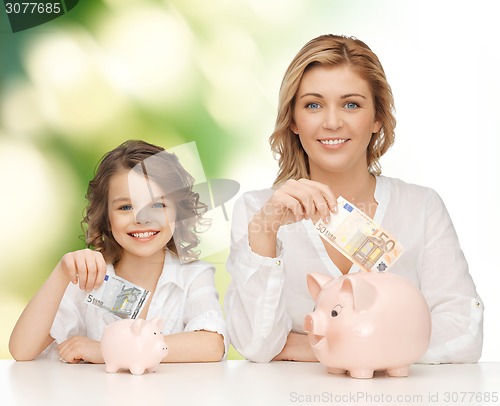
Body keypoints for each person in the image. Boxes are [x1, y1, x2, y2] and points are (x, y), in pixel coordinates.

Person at [224, 34, 483, 364]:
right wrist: (265, 231)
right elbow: (255, 346)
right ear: (293, 121)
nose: (332, 122)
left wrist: (319, 346)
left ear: (377, 118)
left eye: (351, 104)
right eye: (313, 105)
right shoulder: (256, 211)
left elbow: (463, 332)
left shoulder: (422, 207)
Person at [9, 140, 227, 363]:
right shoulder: (88, 277)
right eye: (126, 207)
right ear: (106, 216)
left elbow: (211, 346)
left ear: (177, 212)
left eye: (158, 205)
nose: (142, 219)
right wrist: (61, 273)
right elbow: (22, 350)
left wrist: (107, 351)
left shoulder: (193, 276)